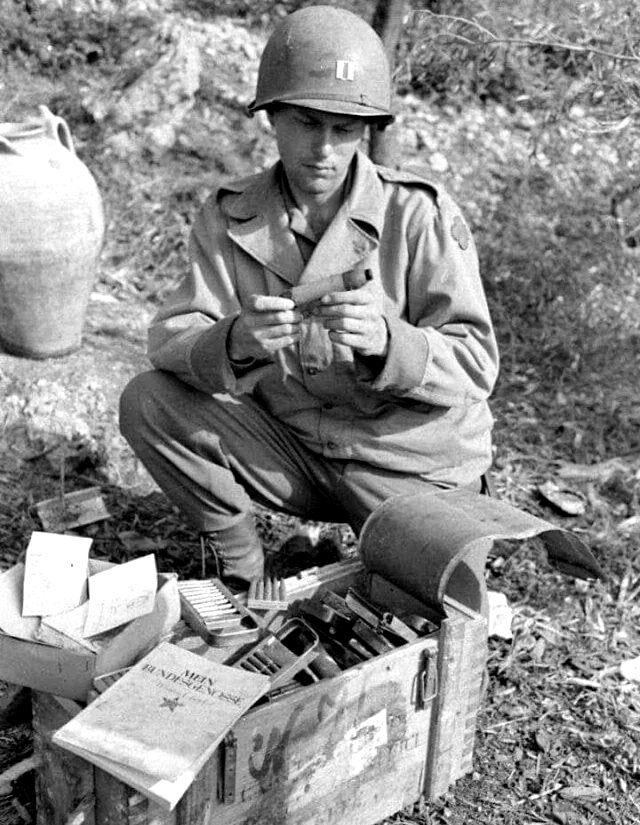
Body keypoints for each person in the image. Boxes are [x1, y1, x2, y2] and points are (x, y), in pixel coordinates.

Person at [119, 5, 499, 589]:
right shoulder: (231, 216)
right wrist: (234, 340)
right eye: (305, 122)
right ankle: (243, 568)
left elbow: (475, 366)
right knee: (149, 401)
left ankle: (408, 553)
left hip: (407, 467)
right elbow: (171, 339)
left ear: (368, 131)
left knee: (427, 615)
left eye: (344, 129)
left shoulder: (418, 215)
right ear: (271, 117)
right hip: (296, 453)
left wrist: (388, 342)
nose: (323, 148)